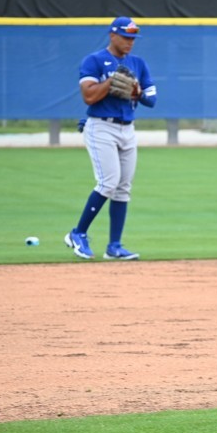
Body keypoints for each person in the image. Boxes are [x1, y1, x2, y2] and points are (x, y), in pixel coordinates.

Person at [65, 16, 157, 260]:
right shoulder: (94, 61)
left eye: (133, 38)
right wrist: (112, 80)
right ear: (112, 35)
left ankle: (114, 246)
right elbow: (89, 96)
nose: (130, 42)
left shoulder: (138, 63)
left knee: (123, 189)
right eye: (126, 37)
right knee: (109, 182)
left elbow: (151, 99)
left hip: (128, 129)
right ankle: (77, 233)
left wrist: (135, 89)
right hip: (101, 127)